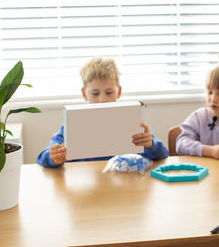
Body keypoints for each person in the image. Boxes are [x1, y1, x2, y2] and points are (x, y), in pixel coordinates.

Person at [37, 58, 169, 168]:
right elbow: (42, 157)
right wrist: (54, 156)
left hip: (125, 186)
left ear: (119, 92)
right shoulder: (74, 124)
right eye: (95, 93)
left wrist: (150, 144)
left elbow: (162, 154)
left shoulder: (132, 122)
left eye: (109, 92)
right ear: (84, 94)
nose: (102, 99)